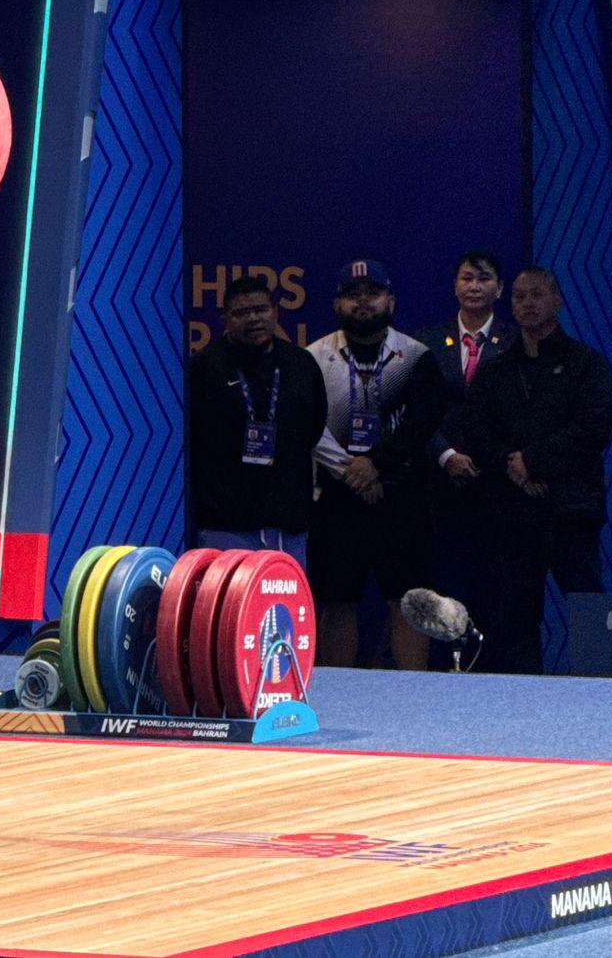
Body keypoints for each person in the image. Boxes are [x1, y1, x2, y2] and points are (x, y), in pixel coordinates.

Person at [462, 267, 612, 673]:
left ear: (557, 301)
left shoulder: (587, 364)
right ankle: (517, 709)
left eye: (537, 296)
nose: (528, 304)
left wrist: (534, 461)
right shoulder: (496, 370)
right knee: (512, 616)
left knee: (586, 603)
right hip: (512, 513)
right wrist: (511, 465)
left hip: (571, 509)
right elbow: (474, 427)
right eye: (519, 297)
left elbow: (593, 427)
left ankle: (600, 695)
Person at [307, 260, 447, 669]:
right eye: (353, 295)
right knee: (338, 599)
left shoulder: (417, 357)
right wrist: (350, 471)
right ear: (337, 303)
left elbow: (422, 424)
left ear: (391, 300)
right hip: (337, 499)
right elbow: (310, 424)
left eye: (372, 293)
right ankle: (337, 689)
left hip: (401, 496)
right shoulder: (313, 357)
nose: (363, 302)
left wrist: (377, 466)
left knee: (407, 599)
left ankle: (413, 693)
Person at [188, 275, 328, 564]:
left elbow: (313, 427)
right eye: (242, 312)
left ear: (275, 312)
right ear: (225, 318)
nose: (254, 319)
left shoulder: (300, 364)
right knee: (227, 605)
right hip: (226, 521)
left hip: (287, 520)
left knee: (285, 606)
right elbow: (192, 436)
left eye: (261, 310)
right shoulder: (204, 367)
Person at [415, 250, 513, 619]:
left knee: (495, 592)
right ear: (455, 286)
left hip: (497, 487)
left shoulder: (517, 342)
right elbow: (415, 411)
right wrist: (446, 455)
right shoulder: (425, 342)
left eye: (484, 278)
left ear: (500, 289)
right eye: (467, 278)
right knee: (442, 587)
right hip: (440, 486)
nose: (474, 286)